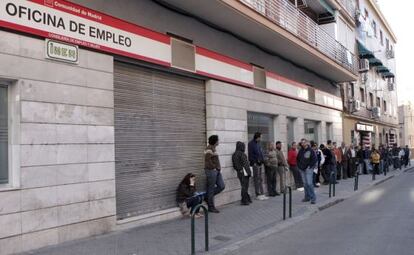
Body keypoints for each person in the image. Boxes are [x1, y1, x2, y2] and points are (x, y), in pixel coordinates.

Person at [204, 135, 225, 213]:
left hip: (216, 171)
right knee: (211, 189)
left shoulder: (213, 148)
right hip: (211, 171)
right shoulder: (208, 149)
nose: (218, 141)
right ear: (215, 141)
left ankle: (207, 197)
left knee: (222, 186)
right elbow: (207, 161)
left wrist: (218, 169)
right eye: (218, 140)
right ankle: (211, 207)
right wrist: (215, 167)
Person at [248, 132, 268, 200]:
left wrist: (262, 160)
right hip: (255, 164)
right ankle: (258, 194)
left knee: (260, 179)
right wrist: (254, 162)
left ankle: (262, 193)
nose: (261, 138)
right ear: (258, 137)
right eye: (260, 137)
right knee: (256, 179)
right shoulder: (251, 144)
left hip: (260, 164)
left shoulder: (258, 144)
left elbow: (261, 153)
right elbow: (250, 155)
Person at [297, 139, 317, 204]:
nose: (303, 144)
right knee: (305, 184)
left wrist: (310, 166)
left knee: (309, 183)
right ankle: (307, 197)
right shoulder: (301, 150)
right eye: (302, 142)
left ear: (307, 143)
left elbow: (314, 159)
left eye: (304, 142)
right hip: (302, 169)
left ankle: (313, 198)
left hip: (308, 169)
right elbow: (297, 159)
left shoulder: (311, 150)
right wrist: (299, 167)